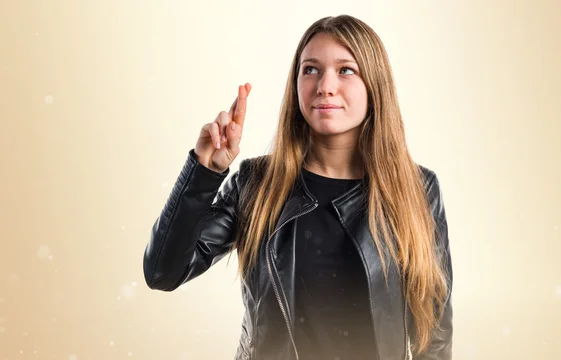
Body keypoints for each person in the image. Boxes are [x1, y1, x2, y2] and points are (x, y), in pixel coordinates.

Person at [143, 14, 453, 360]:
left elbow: (433, 335)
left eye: (346, 70)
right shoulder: (257, 184)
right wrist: (204, 172)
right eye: (310, 69)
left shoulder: (417, 190)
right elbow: (163, 272)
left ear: (374, 85)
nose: (325, 86)